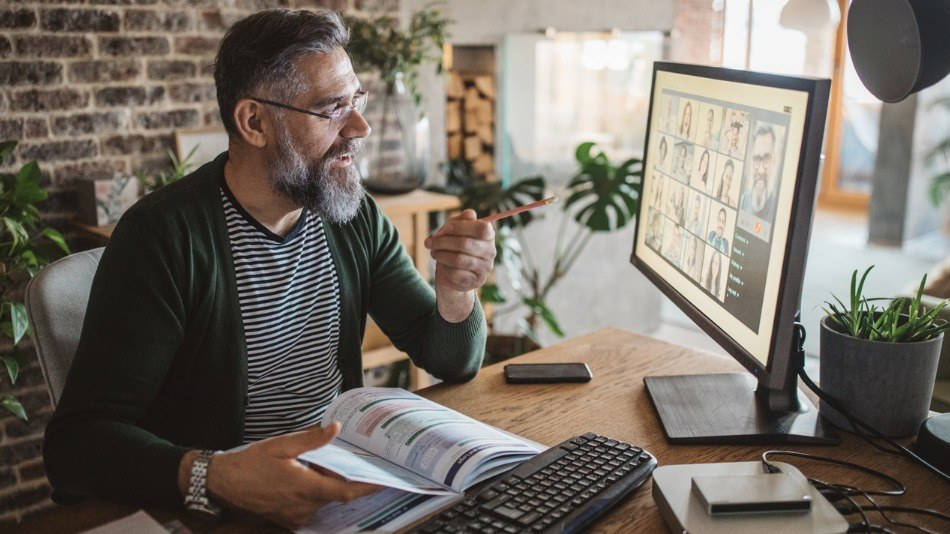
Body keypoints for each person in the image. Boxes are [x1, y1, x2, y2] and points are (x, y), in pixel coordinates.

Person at [43, 9, 494, 530]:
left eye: (357, 100)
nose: (361, 127)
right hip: (224, 508)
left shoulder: (350, 213)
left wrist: (456, 292)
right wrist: (214, 476)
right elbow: (77, 443)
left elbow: (450, 360)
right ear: (253, 122)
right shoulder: (163, 236)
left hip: (339, 480)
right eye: (332, 108)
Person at [739, 125, 777, 222]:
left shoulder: (778, 207)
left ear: (773, 162)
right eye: (757, 159)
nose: (760, 170)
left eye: (766, 159)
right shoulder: (743, 201)